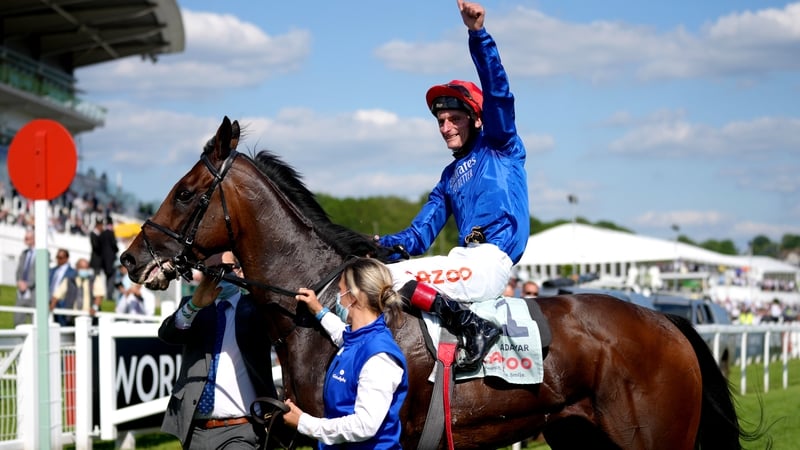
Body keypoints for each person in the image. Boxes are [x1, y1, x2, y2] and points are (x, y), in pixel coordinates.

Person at [377, 0, 529, 370]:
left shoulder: (501, 144)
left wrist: (478, 35)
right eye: (440, 120)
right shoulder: (447, 179)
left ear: (476, 120)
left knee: (389, 281)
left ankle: (473, 327)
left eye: (454, 118)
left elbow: (498, 94)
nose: (445, 127)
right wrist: (373, 246)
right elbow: (417, 236)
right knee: (376, 272)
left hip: (491, 261)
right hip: (463, 262)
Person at [283, 258, 408, 449]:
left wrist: (305, 423)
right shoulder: (359, 339)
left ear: (354, 297)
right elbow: (342, 335)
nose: (338, 298)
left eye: (340, 291)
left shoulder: (379, 357)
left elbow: (364, 426)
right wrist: (319, 310)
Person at [159, 251, 277, 449]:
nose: (217, 276)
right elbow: (168, 335)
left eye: (224, 269)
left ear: (239, 271)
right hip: (195, 429)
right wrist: (194, 306)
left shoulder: (258, 309)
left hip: (242, 429)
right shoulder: (193, 306)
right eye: (210, 271)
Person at [89, 216, 118, 300]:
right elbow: (96, 247)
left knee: (99, 279)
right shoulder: (95, 234)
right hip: (96, 261)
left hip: (101, 261)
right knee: (96, 279)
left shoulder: (101, 234)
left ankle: (101, 295)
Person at [49, 248, 77, 326]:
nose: (58, 260)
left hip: (63, 304)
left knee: (62, 327)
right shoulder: (52, 270)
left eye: (61, 258)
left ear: (66, 258)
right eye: (57, 257)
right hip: (50, 302)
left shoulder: (72, 273)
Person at [14, 229, 37, 326]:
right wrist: (19, 282)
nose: (25, 240)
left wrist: (28, 284)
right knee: (18, 320)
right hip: (21, 292)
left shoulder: (42, 254)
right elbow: (19, 270)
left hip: (34, 292)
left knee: (34, 320)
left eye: (27, 238)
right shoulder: (24, 253)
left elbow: (40, 273)